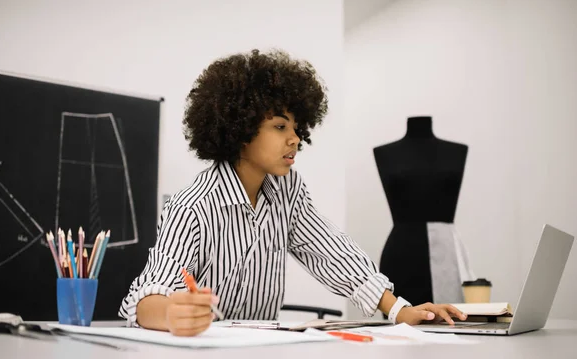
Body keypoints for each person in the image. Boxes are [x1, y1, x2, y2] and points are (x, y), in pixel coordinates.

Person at [118, 49, 467, 337]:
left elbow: (332, 252)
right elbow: (146, 299)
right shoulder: (192, 206)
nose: (295, 139)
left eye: (297, 128)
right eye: (280, 126)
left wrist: (399, 310)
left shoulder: (288, 189)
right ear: (239, 129)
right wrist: (171, 314)